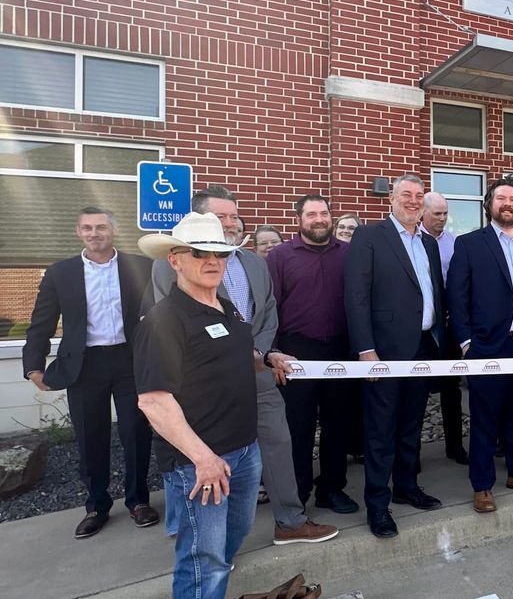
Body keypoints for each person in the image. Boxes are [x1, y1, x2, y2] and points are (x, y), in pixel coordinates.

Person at [135, 212, 275, 599]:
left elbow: (229, 359)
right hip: (203, 467)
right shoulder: (164, 320)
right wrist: (202, 458)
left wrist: (267, 358)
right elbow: (154, 401)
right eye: (201, 254)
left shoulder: (224, 306)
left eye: (219, 253)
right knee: (202, 567)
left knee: (217, 560)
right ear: (175, 260)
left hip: (240, 454)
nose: (213, 261)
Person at [148, 186, 332, 545]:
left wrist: (259, 353)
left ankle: (290, 521)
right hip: (207, 383)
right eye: (222, 217)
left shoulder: (255, 263)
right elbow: (177, 322)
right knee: (213, 460)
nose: (230, 223)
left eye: (234, 215)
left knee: (278, 444)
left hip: (258, 373)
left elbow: (268, 315)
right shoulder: (170, 264)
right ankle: (209, 543)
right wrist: (234, 356)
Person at [23, 206, 156, 539]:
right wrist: (33, 365)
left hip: (129, 362)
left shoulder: (140, 266)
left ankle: (139, 501)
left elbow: (158, 314)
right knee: (90, 436)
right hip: (84, 366)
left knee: (135, 432)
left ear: (113, 230)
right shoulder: (60, 273)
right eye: (87, 228)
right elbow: (41, 321)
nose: (94, 233)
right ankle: (97, 506)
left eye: (101, 227)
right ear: (78, 232)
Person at [447, 175, 513, 513]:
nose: (507, 204)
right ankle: (482, 486)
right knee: (485, 418)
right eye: (500, 199)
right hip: (487, 346)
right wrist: (466, 342)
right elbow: (457, 298)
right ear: (488, 206)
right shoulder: (469, 244)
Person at [345, 175, 445, 537]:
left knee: (411, 425)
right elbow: (356, 296)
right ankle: (377, 504)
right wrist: (365, 349)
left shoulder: (429, 243)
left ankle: (407, 486)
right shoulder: (370, 237)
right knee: (381, 431)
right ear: (392, 198)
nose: (414, 201)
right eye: (407, 194)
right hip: (383, 351)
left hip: (422, 347)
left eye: (419, 196)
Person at [267, 194, 357, 514]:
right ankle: (298, 496)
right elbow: (270, 307)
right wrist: (272, 350)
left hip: (340, 351)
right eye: (311, 214)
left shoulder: (349, 253)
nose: (319, 219)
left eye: (324, 213)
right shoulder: (279, 256)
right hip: (296, 352)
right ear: (299, 219)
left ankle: (332, 489)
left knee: (338, 424)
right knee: (298, 428)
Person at [421, 191, 468, 464]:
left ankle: (455, 446)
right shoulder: (413, 243)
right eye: (436, 214)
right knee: (416, 391)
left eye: (445, 213)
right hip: (421, 328)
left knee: (451, 389)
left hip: (448, 327)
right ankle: (409, 454)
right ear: (422, 213)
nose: (442, 219)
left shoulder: (455, 244)